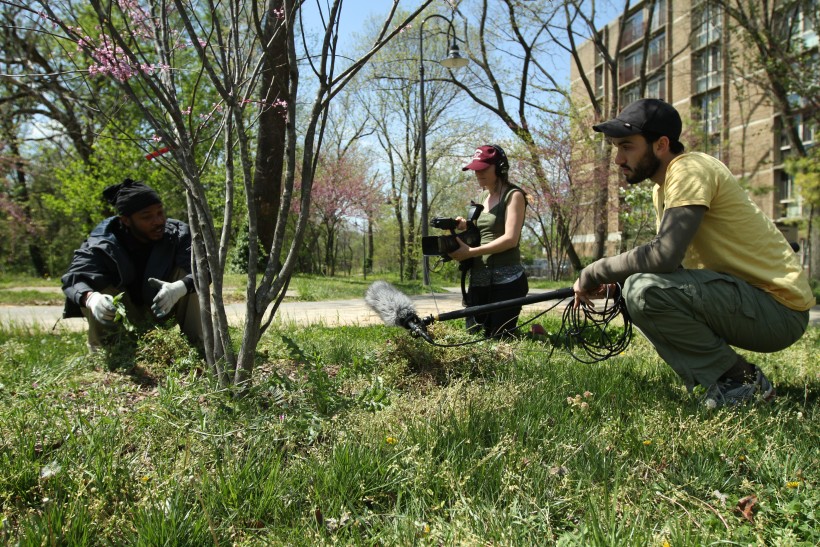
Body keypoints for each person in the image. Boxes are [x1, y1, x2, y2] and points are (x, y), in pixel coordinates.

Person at [573, 98, 815, 408]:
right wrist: (615, 285)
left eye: (627, 146)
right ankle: (725, 380)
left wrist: (594, 271)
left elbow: (663, 256)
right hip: (752, 301)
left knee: (643, 291)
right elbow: (672, 265)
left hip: (780, 309)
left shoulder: (689, 169)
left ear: (661, 144)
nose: (618, 159)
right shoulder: (662, 188)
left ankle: (740, 381)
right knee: (637, 288)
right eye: (616, 148)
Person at [62, 178, 204, 352]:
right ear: (126, 221)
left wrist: (180, 287)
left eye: (160, 213)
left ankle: (201, 349)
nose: (158, 221)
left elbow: (205, 268)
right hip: (121, 316)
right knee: (94, 287)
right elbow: (73, 279)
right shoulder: (101, 241)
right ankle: (108, 356)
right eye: (147, 217)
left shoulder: (178, 234)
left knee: (193, 279)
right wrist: (91, 299)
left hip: (163, 306)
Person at [448, 145, 528, 337]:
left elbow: (510, 239)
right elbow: (483, 229)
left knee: (498, 337)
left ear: (499, 167)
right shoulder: (481, 197)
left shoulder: (514, 195)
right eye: (475, 169)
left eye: (483, 168)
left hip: (506, 281)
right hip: (478, 278)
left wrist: (471, 252)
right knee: (473, 336)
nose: (478, 173)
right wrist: (465, 225)